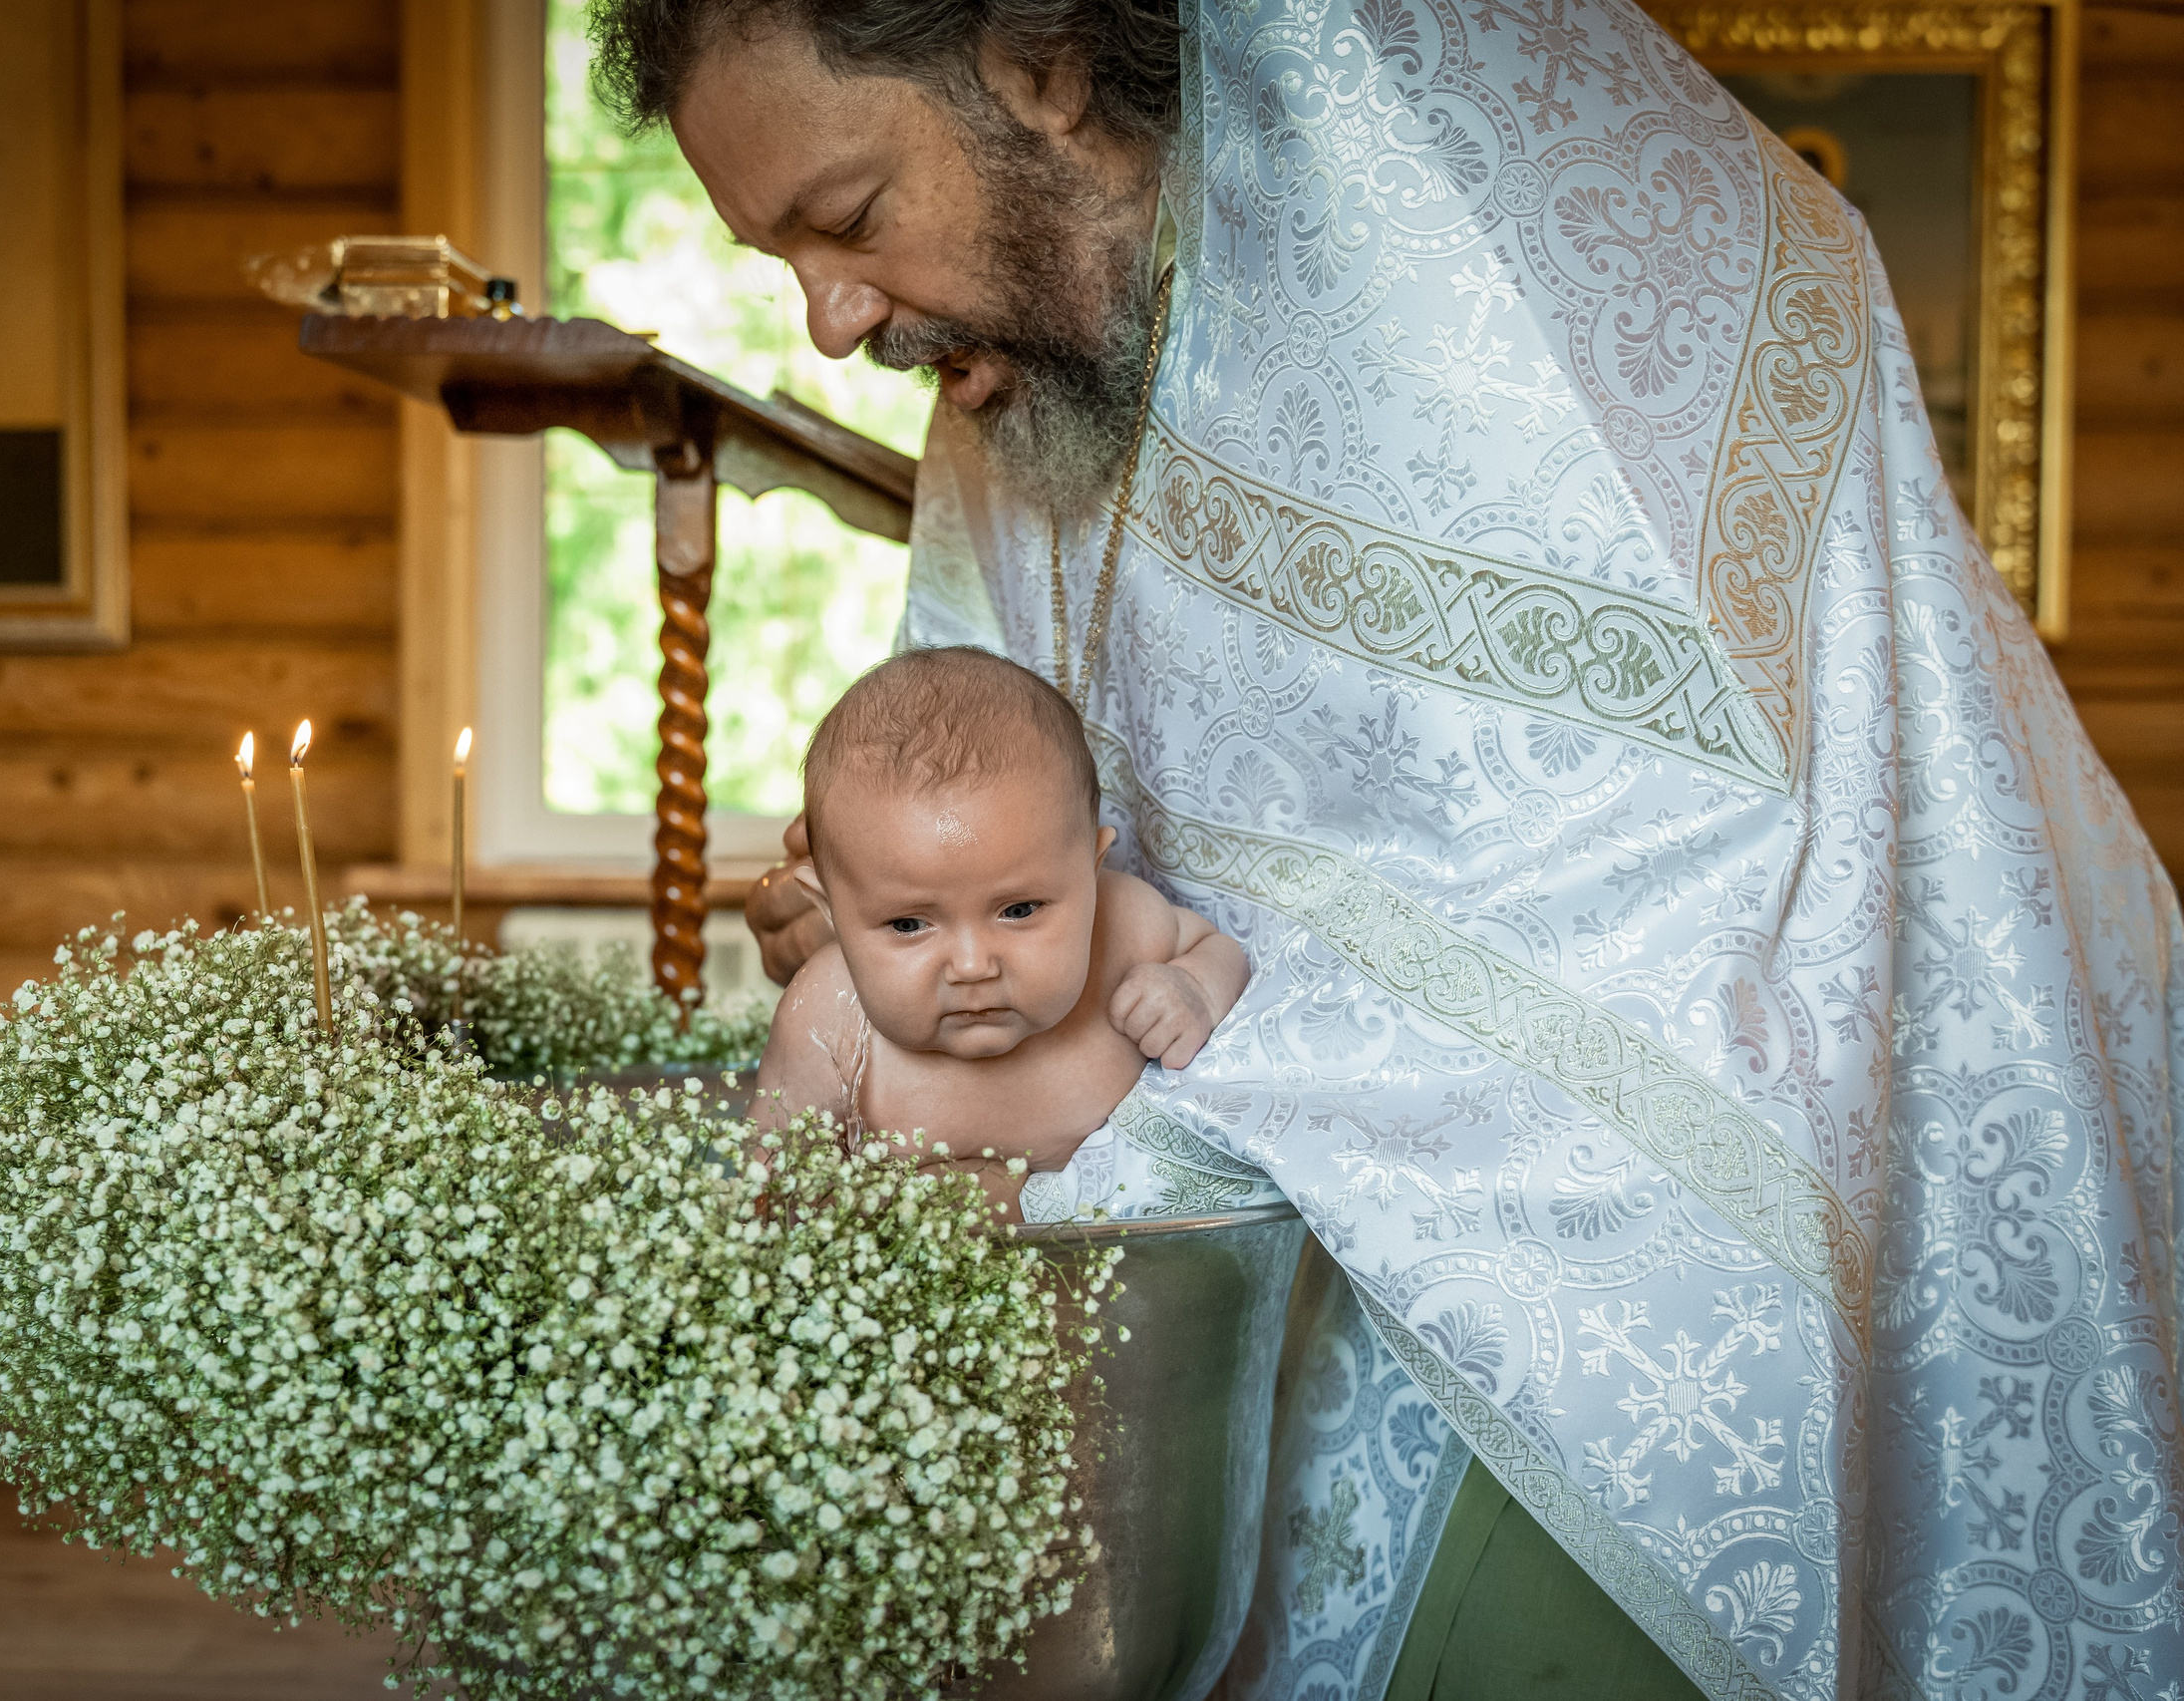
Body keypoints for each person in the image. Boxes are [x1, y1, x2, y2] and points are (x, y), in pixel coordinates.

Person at [596, 1, 2184, 1697]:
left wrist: (1115, 1031)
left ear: (1040, 65)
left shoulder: (1519, 252)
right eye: (778, 258)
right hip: (1239, 1285)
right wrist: (920, 921)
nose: (830, 324)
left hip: (1624, 1295)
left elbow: (1673, 884)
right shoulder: (1030, 363)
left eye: (844, 223)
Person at [753, 645, 1250, 1210]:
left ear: (1091, 873)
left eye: (1019, 911)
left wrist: (1195, 988)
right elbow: (770, 1184)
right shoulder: (826, 1017)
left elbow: (1217, 946)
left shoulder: (1126, 930)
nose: (972, 966)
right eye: (909, 923)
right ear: (831, 912)